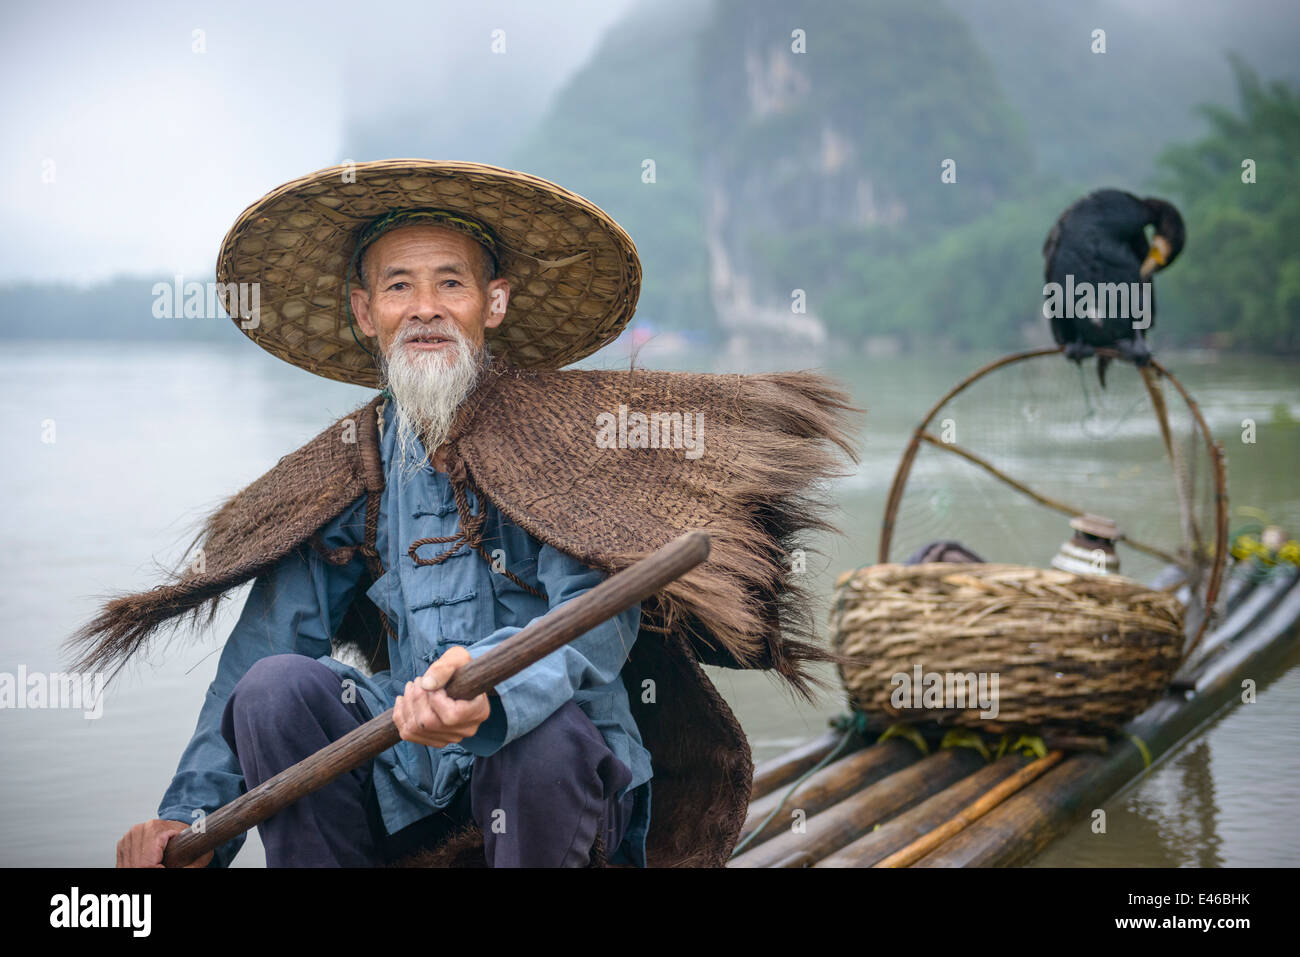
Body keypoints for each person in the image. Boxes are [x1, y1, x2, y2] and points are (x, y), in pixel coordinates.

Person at [76, 160, 860, 869]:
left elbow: (594, 626)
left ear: (494, 302)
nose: (425, 309)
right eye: (397, 287)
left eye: (450, 284)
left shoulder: (567, 440)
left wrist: (489, 691)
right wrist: (187, 816)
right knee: (276, 688)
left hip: (560, 776)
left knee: (539, 731)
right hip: (409, 775)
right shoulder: (357, 464)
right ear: (363, 311)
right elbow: (265, 644)